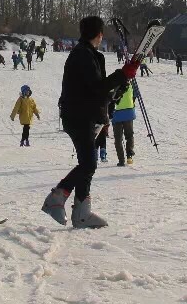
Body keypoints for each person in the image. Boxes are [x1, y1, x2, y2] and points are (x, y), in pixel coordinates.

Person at [41, 16, 134, 229]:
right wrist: (121, 74)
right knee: (89, 164)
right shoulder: (83, 55)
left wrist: (116, 92)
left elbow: (97, 91)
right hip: (80, 117)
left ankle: (82, 213)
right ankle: (57, 197)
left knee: (87, 165)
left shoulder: (88, 55)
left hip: (86, 115)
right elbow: (97, 87)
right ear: (99, 34)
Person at [110, 82, 137, 166]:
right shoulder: (131, 85)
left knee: (118, 138)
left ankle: (121, 160)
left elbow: (110, 100)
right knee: (129, 135)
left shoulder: (114, 86)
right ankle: (129, 156)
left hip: (117, 114)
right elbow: (134, 97)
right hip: (128, 112)